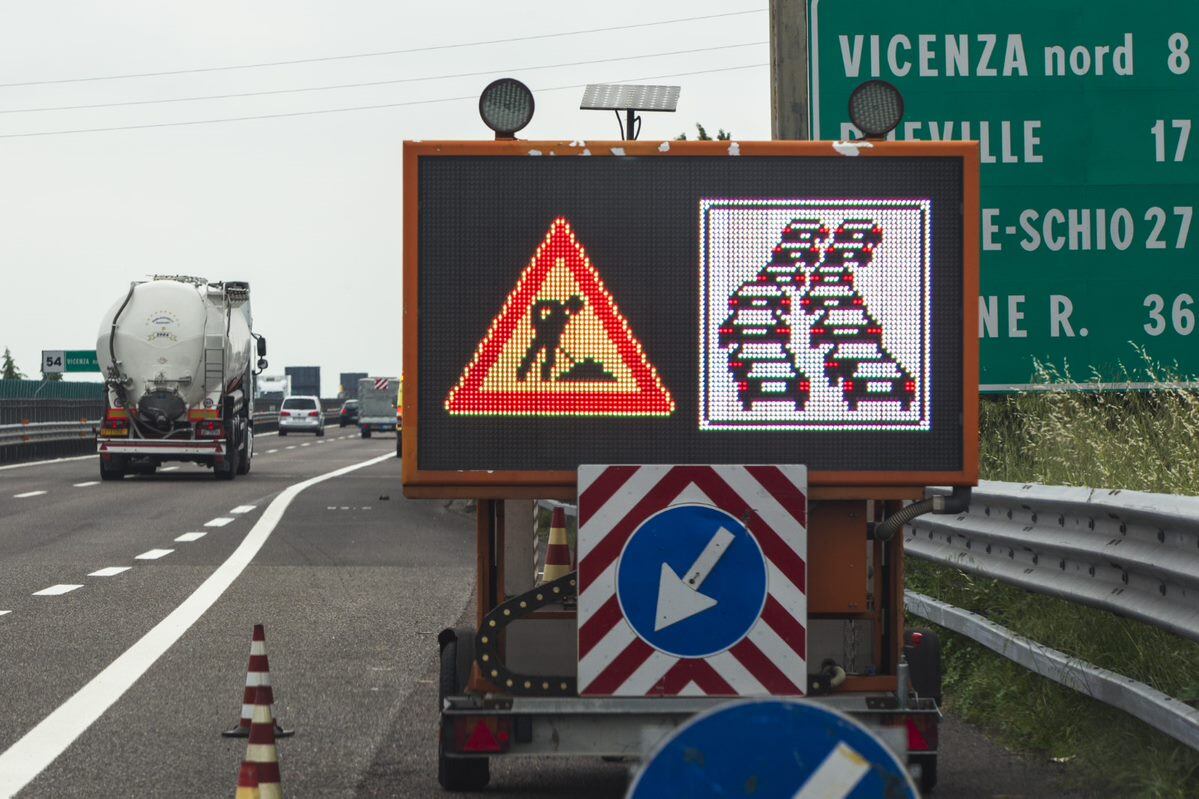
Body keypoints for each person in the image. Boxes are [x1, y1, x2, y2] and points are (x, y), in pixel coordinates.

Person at [516, 295, 585, 382]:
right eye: (577, 309)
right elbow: (537, 305)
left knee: (547, 358)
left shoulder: (564, 314)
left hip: (551, 338)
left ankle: (544, 377)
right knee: (533, 354)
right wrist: (536, 322)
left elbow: (557, 329)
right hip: (544, 335)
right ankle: (523, 374)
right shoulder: (558, 307)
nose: (577, 312)